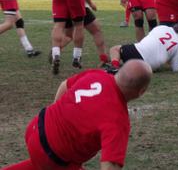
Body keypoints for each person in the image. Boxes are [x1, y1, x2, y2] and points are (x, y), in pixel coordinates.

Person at [4, 59, 152, 170]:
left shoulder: (96, 74)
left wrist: (56, 117)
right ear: (141, 92)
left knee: (40, 163)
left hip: (35, 128)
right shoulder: (118, 119)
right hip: (54, 157)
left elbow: (64, 85)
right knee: (47, 163)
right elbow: (110, 166)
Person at [49, 0, 109, 67]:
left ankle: (56, 50)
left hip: (62, 2)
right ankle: (103, 59)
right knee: (96, 31)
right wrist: (91, 2)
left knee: (69, 34)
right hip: (78, 4)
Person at [108, 24, 178, 73]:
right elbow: (176, 69)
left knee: (114, 49)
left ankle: (114, 67)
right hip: (151, 66)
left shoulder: (162, 27)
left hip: (138, 51)